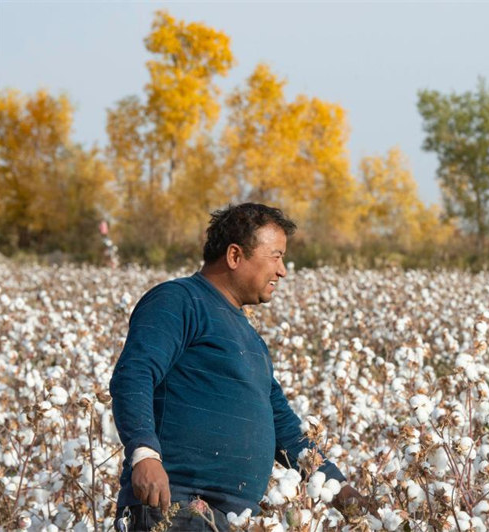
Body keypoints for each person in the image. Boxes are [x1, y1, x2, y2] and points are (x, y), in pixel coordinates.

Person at [110, 203, 371, 531]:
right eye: (275, 256)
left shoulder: (249, 337)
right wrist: (144, 454)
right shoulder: (178, 300)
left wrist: (343, 492)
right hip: (175, 505)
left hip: (236, 518)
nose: (283, 271)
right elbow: (135, 373)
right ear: (235, 256)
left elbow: (284, 429)